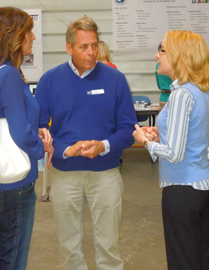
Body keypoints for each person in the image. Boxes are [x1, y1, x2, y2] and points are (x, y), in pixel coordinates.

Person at [35, 16, 136, 270]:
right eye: (83, 47)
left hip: (106, 175)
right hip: (65, 176)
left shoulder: (115, 80)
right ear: (69, 48)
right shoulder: (50, 80)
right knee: (69, 248)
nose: (91, 52)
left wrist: (104, 145)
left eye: (94, 45)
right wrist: (65, 150)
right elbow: (39, 128)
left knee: (109, 246)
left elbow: (128, 129)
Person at [133, 30, 209, 270]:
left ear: (179, 56)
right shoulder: (201, 88)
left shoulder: (181, 94)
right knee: (199, 258)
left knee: (182, 261)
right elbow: (193, 135)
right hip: (202, 185)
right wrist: (160, 135)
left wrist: (144, 140)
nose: (156, 55)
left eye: (162, 51)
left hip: (183, 190)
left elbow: (174, 154)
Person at [0, 7, 53, 270]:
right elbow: (19, 132)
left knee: (3, 254)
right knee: (11, 260)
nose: (33, 37)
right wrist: (40, 146)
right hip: (14, 182)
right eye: (28, 31)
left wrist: (35, 131)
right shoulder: (8, 74)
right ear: (15, 36)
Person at [155, 42, 173, 112]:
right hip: (171, 95)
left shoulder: (158, 66)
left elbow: (159, 85)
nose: (157, 55)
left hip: (163, 97)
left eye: (162, 51)